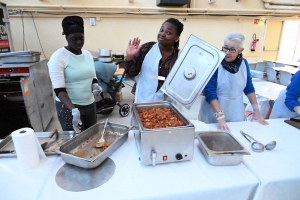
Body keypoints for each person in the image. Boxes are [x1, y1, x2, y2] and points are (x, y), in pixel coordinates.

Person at [198, 32, 268, 132]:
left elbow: (248, 87)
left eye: (232, 50)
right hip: (214, 113)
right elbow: (209, 91)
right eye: (225, 48)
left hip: (235, 111)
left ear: (240, 50)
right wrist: (220, 116)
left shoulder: (244, 63)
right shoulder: (215, 62)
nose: (227, 52)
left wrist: (256, 110)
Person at [48, 16, 102, 133]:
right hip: (69, 108)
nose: (79, 42)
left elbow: (92, 76)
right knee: (75, 142)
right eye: (74, 39)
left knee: (92, 136)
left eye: (81, 38)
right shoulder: (58, 58)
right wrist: (74, 110)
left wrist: (95, 85)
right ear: (66, 37)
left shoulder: (87, 54)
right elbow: (59, 90)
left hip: (90, 104)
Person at [124, 18, 184, 103]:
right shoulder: (147, 48)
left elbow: (182, 82)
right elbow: (131, 73)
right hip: (143, 99)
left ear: (176, 37)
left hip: (167, 102)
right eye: (161, 30)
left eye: (168, 33)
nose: (162, 34)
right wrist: (130, 56)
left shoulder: (179, 56)